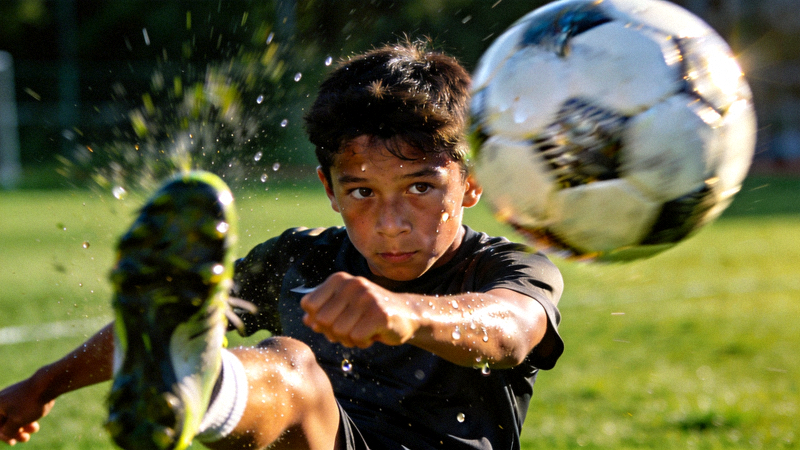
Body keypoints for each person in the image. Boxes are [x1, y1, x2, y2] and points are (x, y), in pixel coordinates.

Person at [0, 39, 564, 450]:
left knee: (294, 365)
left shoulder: (507, 267)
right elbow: (169, 323)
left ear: (470, 182)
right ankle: (203, 390)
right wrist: (41, 385)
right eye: (362, 190)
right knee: (286, 363)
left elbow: (509, 333)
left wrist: (404, 314)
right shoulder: (302, 256)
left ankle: (208, 389)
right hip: (316, 438)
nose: (391, 221)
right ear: (330, 190)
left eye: (420, 187)